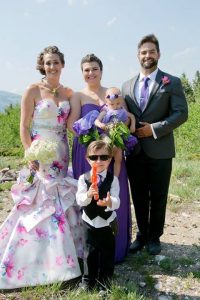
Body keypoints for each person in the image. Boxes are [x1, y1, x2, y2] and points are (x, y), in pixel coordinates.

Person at [0, 46, 83, 289]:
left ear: (62, 64)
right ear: (42, 66)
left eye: (56, 62)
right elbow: (24, 126)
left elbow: (71, 126)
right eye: (48, 63)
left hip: (61, 152)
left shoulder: (68, 92)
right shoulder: (32, 90)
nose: (52, 67)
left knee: (61, 199)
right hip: (40, 155)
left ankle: (64, 260)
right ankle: (34, 263)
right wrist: (30, 152)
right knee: (41, 201)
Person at [122, 34, 188, 255]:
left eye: (151, 51)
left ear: (158, 54)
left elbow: (181, 114)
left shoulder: (172, 82)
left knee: (158, 195)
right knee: (138, 195)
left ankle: (154, 237)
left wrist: (154, 128)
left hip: (161, 149)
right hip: (135, 151)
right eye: (143, 52)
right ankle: (141, 234)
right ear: (138, 56)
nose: (147, 55)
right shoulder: (126, 85)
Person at [67, 54, 131, 263]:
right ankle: (88, 249)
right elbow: (71, 124)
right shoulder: (77, 95)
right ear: (82, 72)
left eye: (94, 68)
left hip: (112, 150)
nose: (90, 73)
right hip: (85, 150)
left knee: (113, 194)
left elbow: (124, 118)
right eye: (86, 69)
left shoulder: (112, 92)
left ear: (101, 71)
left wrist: (115, 137)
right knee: (89, 194)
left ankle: (116, 248)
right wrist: (92, 140)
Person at [76, 140, 120, 290]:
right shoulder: (83, 179)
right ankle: (88, 280)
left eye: (103, 157)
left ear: (110, 159)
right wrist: (88, 195)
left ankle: (105, 281)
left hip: (107, 223)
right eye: (94, 158)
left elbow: (117, 200)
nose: (99, 161)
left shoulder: (113, 180)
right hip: (89, 222)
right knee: (89, 254)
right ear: (88, 159)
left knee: (107, 253)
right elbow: (80, 200)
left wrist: (109, 202)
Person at [94, 86, 137, 177]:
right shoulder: (105, 111)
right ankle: (103, 174)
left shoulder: (122, 110)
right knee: (107, 148)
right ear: (106, 102)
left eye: (118, 103)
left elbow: (132, 116)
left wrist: (132, 125)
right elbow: (96, 121)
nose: (115, 106)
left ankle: (115, 178)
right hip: (105, 134)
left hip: (117, 136)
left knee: (119, 158)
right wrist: (101, 124)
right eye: (112, 104)